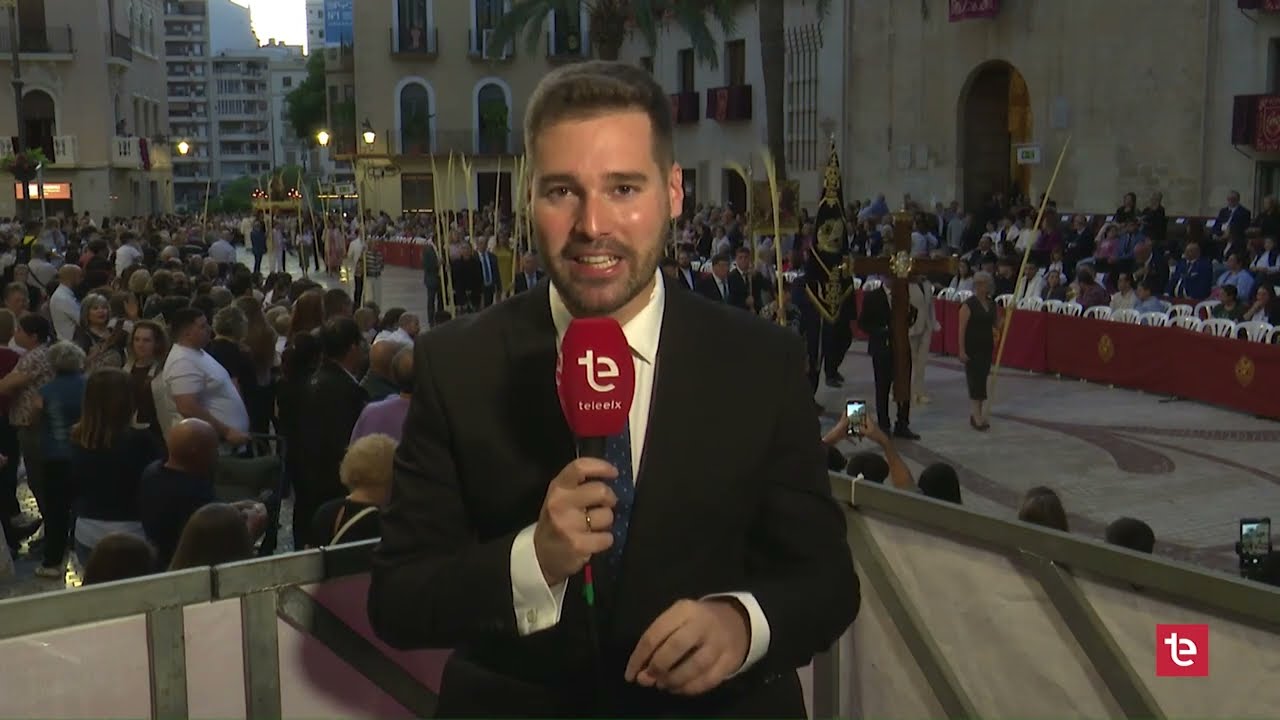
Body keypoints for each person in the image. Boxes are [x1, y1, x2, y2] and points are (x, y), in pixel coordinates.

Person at [369, 60, 857, 718]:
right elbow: (399, 598)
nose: (593, 224)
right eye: (562, 190)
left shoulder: (760, 361)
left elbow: (827, 581)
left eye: (624, 188)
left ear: (674, 193)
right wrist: (532, 560)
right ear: (529, 198)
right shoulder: (458, 364)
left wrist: (742, 625)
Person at [958, 271, 999, 431]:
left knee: (982, 379)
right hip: (972, 347)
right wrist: (961, 350)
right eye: (978, 283)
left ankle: (978, 414)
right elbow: (961, 329)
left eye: (984, 283)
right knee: (975, 381)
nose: (981, 286)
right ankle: (976, 416)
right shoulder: (969, 305)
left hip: (986, 346)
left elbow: (997, 324)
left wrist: (1009, 313)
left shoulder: (992, 304)